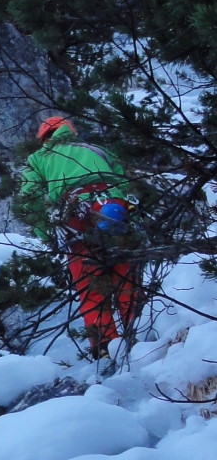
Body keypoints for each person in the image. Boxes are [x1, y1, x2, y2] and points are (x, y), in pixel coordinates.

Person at [17, 116, 139, 357]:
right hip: (112, 206)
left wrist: (45, 233)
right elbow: (126, 184)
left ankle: (104, 345)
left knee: (89, 285)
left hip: (74, 215)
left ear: (44, 138)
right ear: (69, 131)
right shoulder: (97, 150)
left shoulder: (38, 158)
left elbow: (29, 197)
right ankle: (139, 332)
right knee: (126, 279)